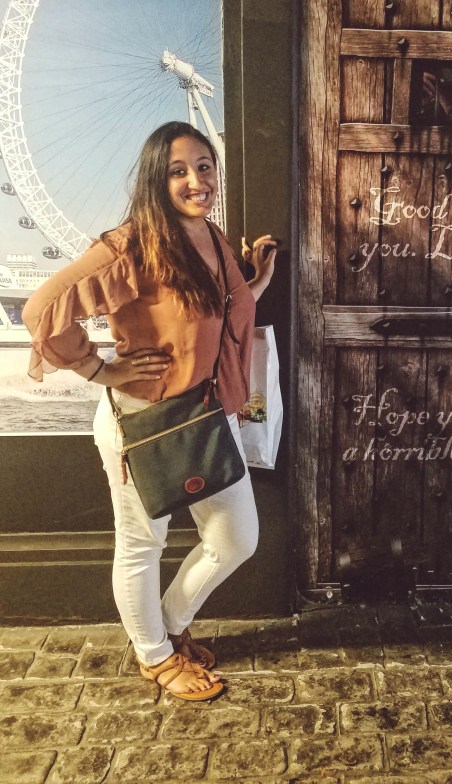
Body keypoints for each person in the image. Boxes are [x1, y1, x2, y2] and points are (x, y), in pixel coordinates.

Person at [22, 121, 276, 702]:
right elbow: (42, 310)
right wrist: (97, 369)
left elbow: (221, 312)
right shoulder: (133, 244)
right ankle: (156, 656)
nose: (196, 181)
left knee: (237, 538)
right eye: (178, 171)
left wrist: (254, 282)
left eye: (204, 167)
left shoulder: (211, 237)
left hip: (209, 417)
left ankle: (168, 624)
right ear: (156, 180)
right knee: (141, 544)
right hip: (145, 423)